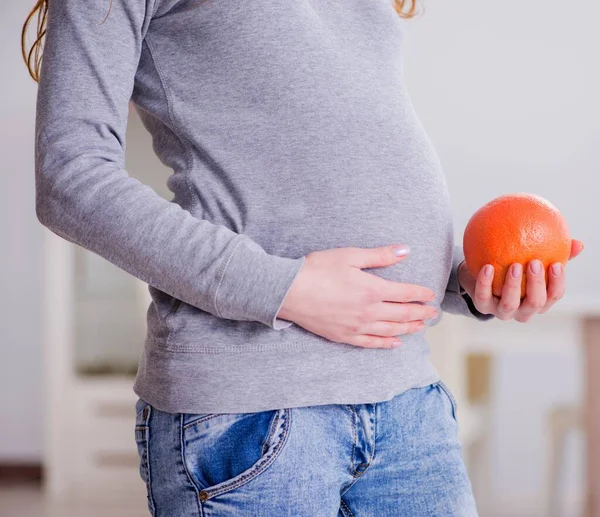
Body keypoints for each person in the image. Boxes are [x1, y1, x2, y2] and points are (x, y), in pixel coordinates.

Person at [22, 0, 583, 515]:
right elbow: (72, 179)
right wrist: (285, 289)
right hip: (253, 414)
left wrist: (468, 285)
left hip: (408, 400)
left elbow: (320, 170)